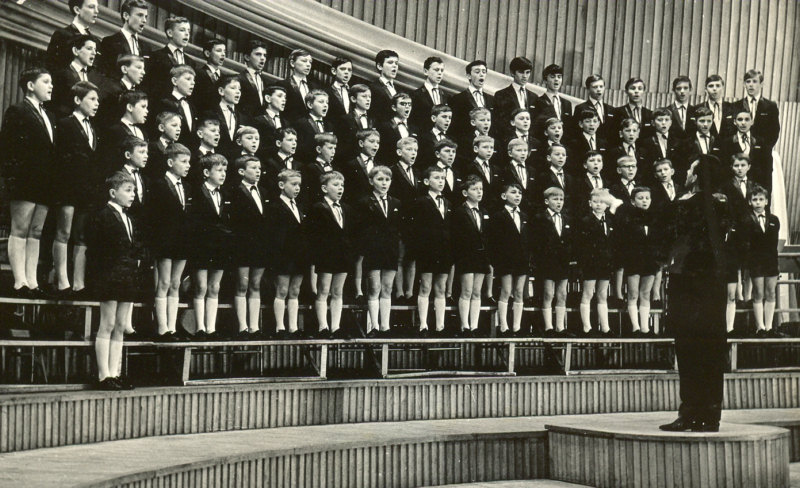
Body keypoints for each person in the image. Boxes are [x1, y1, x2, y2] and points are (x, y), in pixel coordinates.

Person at [660, 157, 730, 433]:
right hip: (714, 286)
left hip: (689, 285)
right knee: (712, 352)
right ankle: (710, 416)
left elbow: (663, 230)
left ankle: (690, 413)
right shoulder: (722, 204)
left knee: (689, 351)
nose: (686, 172)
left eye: (690, 169)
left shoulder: (686, 205)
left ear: (698, 176)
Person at [0, 68, 57, 298]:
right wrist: (13, 181)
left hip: (45, 182)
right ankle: (19, 281)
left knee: (36, 231)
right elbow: (7, 148)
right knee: (20, 228)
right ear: (31, 86)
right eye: (46, 81)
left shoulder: (49, 115)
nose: (51, 86)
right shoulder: (18, 111)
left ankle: (32, 281)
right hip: (25, 182)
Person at [86, 171, 144, 390]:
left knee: (120, 325)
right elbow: (94, 251)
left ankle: (115, 372)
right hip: (109, 278)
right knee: (108, 324)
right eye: (128, 190)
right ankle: (104, 375)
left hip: (126, 277)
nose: (132, 195)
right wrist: (103, 275)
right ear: (113, 193)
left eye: (134, 191)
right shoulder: (102, 215)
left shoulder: (129, 218)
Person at [52, 80, 102, 298]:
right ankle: (62, 281)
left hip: (87, 190)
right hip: (68, 188)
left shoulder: (94, 128)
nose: (96, 103)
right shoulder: (65, 124)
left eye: (98, 100)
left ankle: (79, 284)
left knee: (82, 235)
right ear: (77, 100)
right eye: (92, 99)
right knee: (63, 232)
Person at [148, 142, 192, 341]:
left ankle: (172, 328)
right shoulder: (158, 184)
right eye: (183, 161)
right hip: (164, 241)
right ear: (170, 162)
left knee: (175, 283)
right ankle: (162, 328)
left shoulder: (187, 187)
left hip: (181, 242)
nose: (187, 165)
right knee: (164, 282)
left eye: (189, 162)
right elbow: (154, 217)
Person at [356, 166, 402, 337]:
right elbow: (361, 228)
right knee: (374, 287)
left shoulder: (396, 203)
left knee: (387, 287)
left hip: (390, 250)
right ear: (371, 181)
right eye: (380, 179)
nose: (384, 183)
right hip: (373, 249)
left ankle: (385, 326)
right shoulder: (364, 202)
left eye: (387, 180)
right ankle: (373, 326)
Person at [307, 171, 354, 338]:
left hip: (342, 255)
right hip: (325, 255)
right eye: (335, 185)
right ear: (324, 188)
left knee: (337, 291)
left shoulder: (346, 208)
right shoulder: (318, 208)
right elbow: (314, 234)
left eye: (342, 185)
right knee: (323, 290)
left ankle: (335, 327)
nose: (340, 188)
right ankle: (323, 326)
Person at [188, 154, 230, 338]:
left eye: (225, 171)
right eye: (219, 170)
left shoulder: (225, 194)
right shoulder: (197, 192)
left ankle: (211, 328)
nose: (223, 174)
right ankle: (200, 328)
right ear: (206, 173)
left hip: (219, 246)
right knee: (201, 287)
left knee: (214, 287)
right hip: (201, 245)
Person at [229, 155, 269, 339]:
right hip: (242, 245)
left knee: (255, 284)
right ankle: (242, 327)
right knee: (242, 284)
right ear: (241, 171)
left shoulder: (264, 192)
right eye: (253, 168)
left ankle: (254, 327)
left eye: (259, 168)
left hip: (260, 245)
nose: (258, 171)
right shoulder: (235, 191)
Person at [410, 166, 452, 336]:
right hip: (427, 250)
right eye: (436, 178)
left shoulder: (448, 203)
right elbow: (416, 229)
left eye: (442, 178)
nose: (440, 181)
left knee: (441, 287)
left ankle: (440, 326)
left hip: (444, 251)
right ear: (427, 181)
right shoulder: (421, 202)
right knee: (426, 286)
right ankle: (423, 325)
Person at [266, 169, 307, 338]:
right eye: (294, 184)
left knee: (295, 291)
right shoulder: (274, 206)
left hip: (298, 255)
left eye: (299, 185)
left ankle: (293, 327)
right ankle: (280, 327)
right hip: (283, 255)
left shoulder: (299, 206)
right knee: (282, 290)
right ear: (282, 185)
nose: (297, 188)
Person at [488, 183, 531, 336]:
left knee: (519, 292)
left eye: (519, 193)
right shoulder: (498, 216)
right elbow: (494, 241)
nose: (517, 195)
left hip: (521, 259)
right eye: (513, 192)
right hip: (505, 260)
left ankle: (516, 327)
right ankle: (503, 326)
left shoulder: (524, 216)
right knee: (506, 291)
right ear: (504, 196)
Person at [743, 185, 783, 338]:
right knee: (758, 292)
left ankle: (769, 327)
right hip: (756, 262)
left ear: (766, 201)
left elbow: (775, 243)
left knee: (771, 292)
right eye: (755, 199)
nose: (758, 202)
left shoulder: (774, 220)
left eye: (761, 199)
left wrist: (775, 260)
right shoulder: (746, 220)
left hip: (770, 261)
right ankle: (760, 327)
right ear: (750, 202)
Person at [452, 176, 489, 337]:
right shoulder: (459, 211)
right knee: (466, 290)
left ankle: (474, 326)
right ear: (465, 193)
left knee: (476, 292)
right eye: (474, 189)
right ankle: (464, 325)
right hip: (466, 255)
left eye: (481, 189)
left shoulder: (484, 212)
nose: (479, 192)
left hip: (481, 256)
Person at [577, 188, 616, 336]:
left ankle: (605, 328)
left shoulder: (610, 221)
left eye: (602, 202)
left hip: (605, 263)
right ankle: (587, 328)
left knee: (602, 294)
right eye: (595, 202)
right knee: (588, 293)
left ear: (607, 204)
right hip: (590, 263)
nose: (598, 205)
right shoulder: (585, 221)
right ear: (590, 203)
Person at [98, 0, 149, 77]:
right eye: (140, 15)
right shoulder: (110, 42)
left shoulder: (146, 48)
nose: (144, 20)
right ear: (126, 16)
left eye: (146, 17)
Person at [46, 0, 99, 72]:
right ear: (77, 10)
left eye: (97, 7)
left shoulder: (96, 41)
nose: (97, 11)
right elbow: (51, 67)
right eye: (91, 7)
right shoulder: (62, 35)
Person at [278, 49, 319, 123]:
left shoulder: (315, 87)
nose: (308, 64)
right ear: (292, 63)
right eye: (304, 61)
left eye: (310, 62)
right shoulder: (282, 85)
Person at [410, 56, 447, 132]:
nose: (440, 73)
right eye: (436, 70)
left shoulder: (447, 96)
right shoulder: (415, 95)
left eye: (442, 70)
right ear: (426, 71)